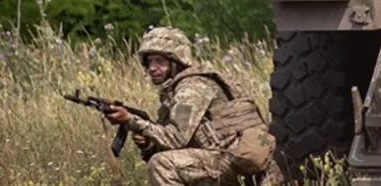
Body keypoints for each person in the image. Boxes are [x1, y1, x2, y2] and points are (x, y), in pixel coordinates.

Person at [106, 26, 284, 186]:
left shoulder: (192, 88)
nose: (152, 68)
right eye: (149, 62)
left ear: (176, 62)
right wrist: (146, 145)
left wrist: (131, 120)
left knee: (163, 165)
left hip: (238, 162)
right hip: (232, 161)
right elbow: (174, 145)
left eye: (159, 61)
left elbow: (175, 139)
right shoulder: (176, 91)